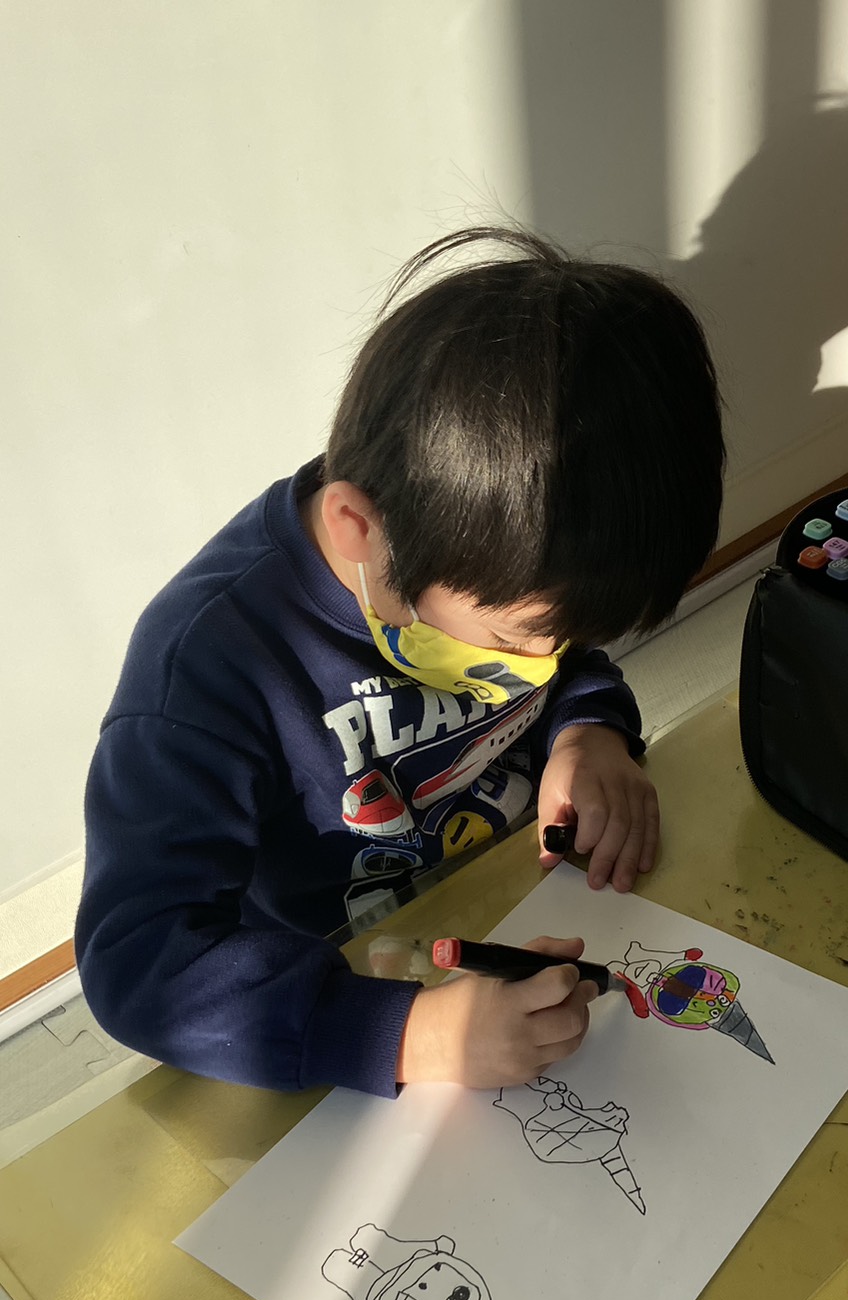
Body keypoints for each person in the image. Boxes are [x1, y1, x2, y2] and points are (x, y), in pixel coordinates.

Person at [75, 227, 724, 1099]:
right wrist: (408, 1037)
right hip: (333, 1000)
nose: (544, 662)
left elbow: (568, 661)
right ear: (357, 529)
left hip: (516, 908)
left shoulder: (498, 556)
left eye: (566, 638)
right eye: (512, 641)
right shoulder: (208, 669)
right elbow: (141, 966)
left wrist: (589, 732)